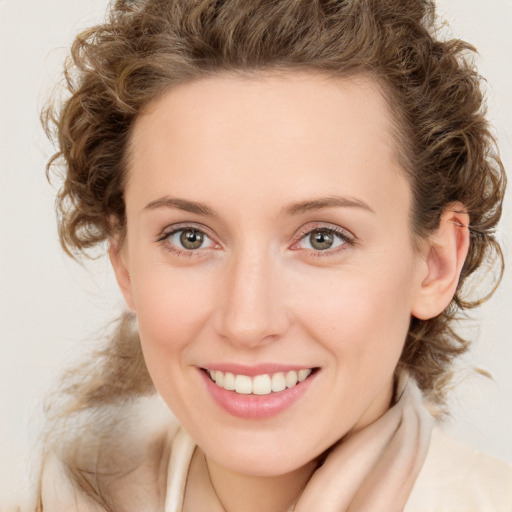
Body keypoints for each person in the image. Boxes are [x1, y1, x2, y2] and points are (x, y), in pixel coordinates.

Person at [32, 0, 511, 510]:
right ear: (124, 260)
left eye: (322, 238)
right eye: (189, 237)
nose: (247, 322)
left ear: (436, 265)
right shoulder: (55, 494)